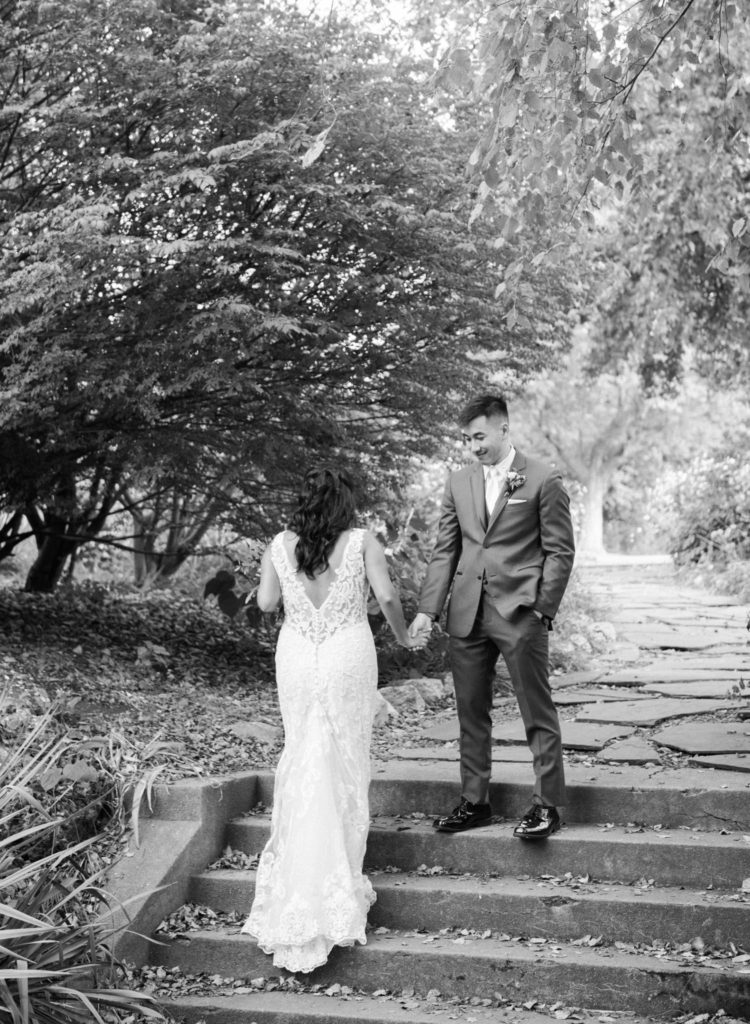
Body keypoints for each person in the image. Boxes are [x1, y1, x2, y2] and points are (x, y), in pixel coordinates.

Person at [241, 467, 420, 973]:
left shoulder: (279, 544)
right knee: (343, 756)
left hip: (297, 653)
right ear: (346, 504)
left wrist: (286, 582)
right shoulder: (364, 542)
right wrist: (405, 639)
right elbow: (385, 597)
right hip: (346, 652)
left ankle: (300, 881)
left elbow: (267, 603)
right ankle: (337, 877)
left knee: (301, 752)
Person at [409, 394, 575, 840]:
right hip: (466, 612)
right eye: (467, 439)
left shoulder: (543, 478)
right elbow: (446, 550)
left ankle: (547, 805)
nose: (473, 447)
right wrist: (428, 609)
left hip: (519, 611)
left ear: (504, 429)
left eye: (479, 437)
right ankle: (475, 802)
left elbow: (559, 550)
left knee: (535, 710)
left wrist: (542, 607)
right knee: (470, 713)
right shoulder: (458, 482)